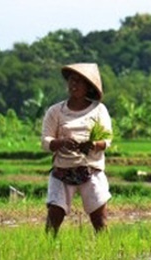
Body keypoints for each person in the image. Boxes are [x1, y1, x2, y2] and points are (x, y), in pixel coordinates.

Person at [41, 63, 113, 235]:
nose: (74, 85)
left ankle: (106, 253)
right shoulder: (56, 111)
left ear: (88, 87)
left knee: (100, 221)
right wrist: (61, 142)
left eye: (80, 82)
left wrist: (93, 145)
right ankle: (47, 251)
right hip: (62, 170)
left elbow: (107, 139)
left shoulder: (98, 110)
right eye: (72, 81)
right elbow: (45, 141)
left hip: (91, 169)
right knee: (54, 218)